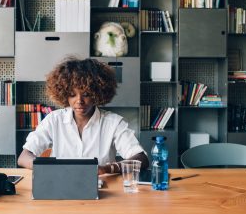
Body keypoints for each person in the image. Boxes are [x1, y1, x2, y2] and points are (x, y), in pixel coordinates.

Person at [18, 57, 149, 174]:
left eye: (86, 94)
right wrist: (49, 168)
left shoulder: (113, 123)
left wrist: (106, 169)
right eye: (72, 94)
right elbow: (24, 157)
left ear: (97, 94)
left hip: (102, 189)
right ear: (64, 94)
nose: (79, 101)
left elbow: (141, 159)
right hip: (61, 187)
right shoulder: (54, 120)